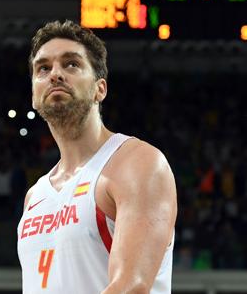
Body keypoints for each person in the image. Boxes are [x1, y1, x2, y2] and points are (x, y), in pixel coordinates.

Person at [17, 20, 177, 293]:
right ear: (34, 94)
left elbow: (131, 287)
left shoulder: (138, 163)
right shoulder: (35, 196)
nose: (55, 74)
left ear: (99, 88)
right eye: (43, 68)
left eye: (71, 64)